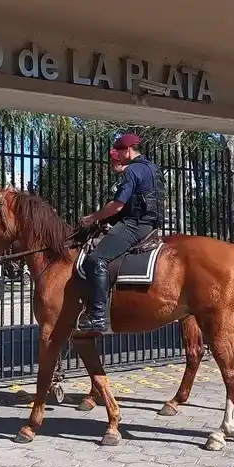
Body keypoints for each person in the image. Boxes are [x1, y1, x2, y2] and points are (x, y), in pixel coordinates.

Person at [74, 133, 163, 334]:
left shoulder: (132, 170)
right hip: (150, 224)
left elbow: (117, 205)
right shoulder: (154, 168)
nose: (118, 158)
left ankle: (97, 316)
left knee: (96, 260)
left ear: (127, 151)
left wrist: (93, 218)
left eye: (119, 153)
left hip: (134, 226)